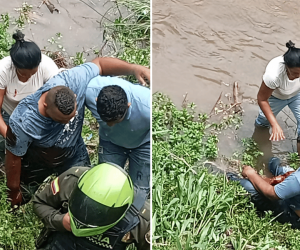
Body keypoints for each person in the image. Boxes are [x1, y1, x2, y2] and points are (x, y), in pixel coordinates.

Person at [5, 56, 150, 206]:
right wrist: (14, 189)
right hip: (39, 159)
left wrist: (133, 68)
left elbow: (100, 64)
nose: (67, 123)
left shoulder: (75, 80)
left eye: (72, 117)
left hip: (73, 153)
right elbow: (14, 159)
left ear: (74, 96)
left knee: (83, 193)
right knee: (20, 198)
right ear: (45, 107)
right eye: (61, 121)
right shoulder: (23, 121)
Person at [32, 162, 150, 250]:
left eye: (98, 213)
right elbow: (40, 202)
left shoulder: (142, 219)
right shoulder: (71, 180)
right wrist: (60, 221)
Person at [85, 76, 150, 194]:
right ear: (96, 100)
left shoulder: (147, 108)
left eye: (115, 121)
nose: (109, 125)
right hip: (110, 141)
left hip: (143, 144)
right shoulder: (89, 90)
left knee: (139, 190)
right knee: (104, 182)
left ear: (128, 105)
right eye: (105, 120)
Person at [0, 30, 59, 138]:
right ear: (15, 66)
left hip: (37, 112)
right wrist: (7, 135)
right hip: (10, 113)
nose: (28, 77)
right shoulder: (3, 70)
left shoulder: (47, 66)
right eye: (23, 74)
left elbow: (58, 97)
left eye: (33, 73)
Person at [227, 157, 300, 228]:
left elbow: (271, 193)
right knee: (273, 162)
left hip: (293, 214)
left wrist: (251, 174)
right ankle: (270, 162)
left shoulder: (297, 179)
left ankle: (228, 176)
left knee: (247, 185)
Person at [255, 40, 300, 155]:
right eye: (295, 74)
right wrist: (275, 124)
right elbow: (262, 99)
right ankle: (258, 142)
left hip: (297, 95)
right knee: (263, 122)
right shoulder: (274, 75)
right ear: (286, 67)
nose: (297, 77)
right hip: (276, 97)